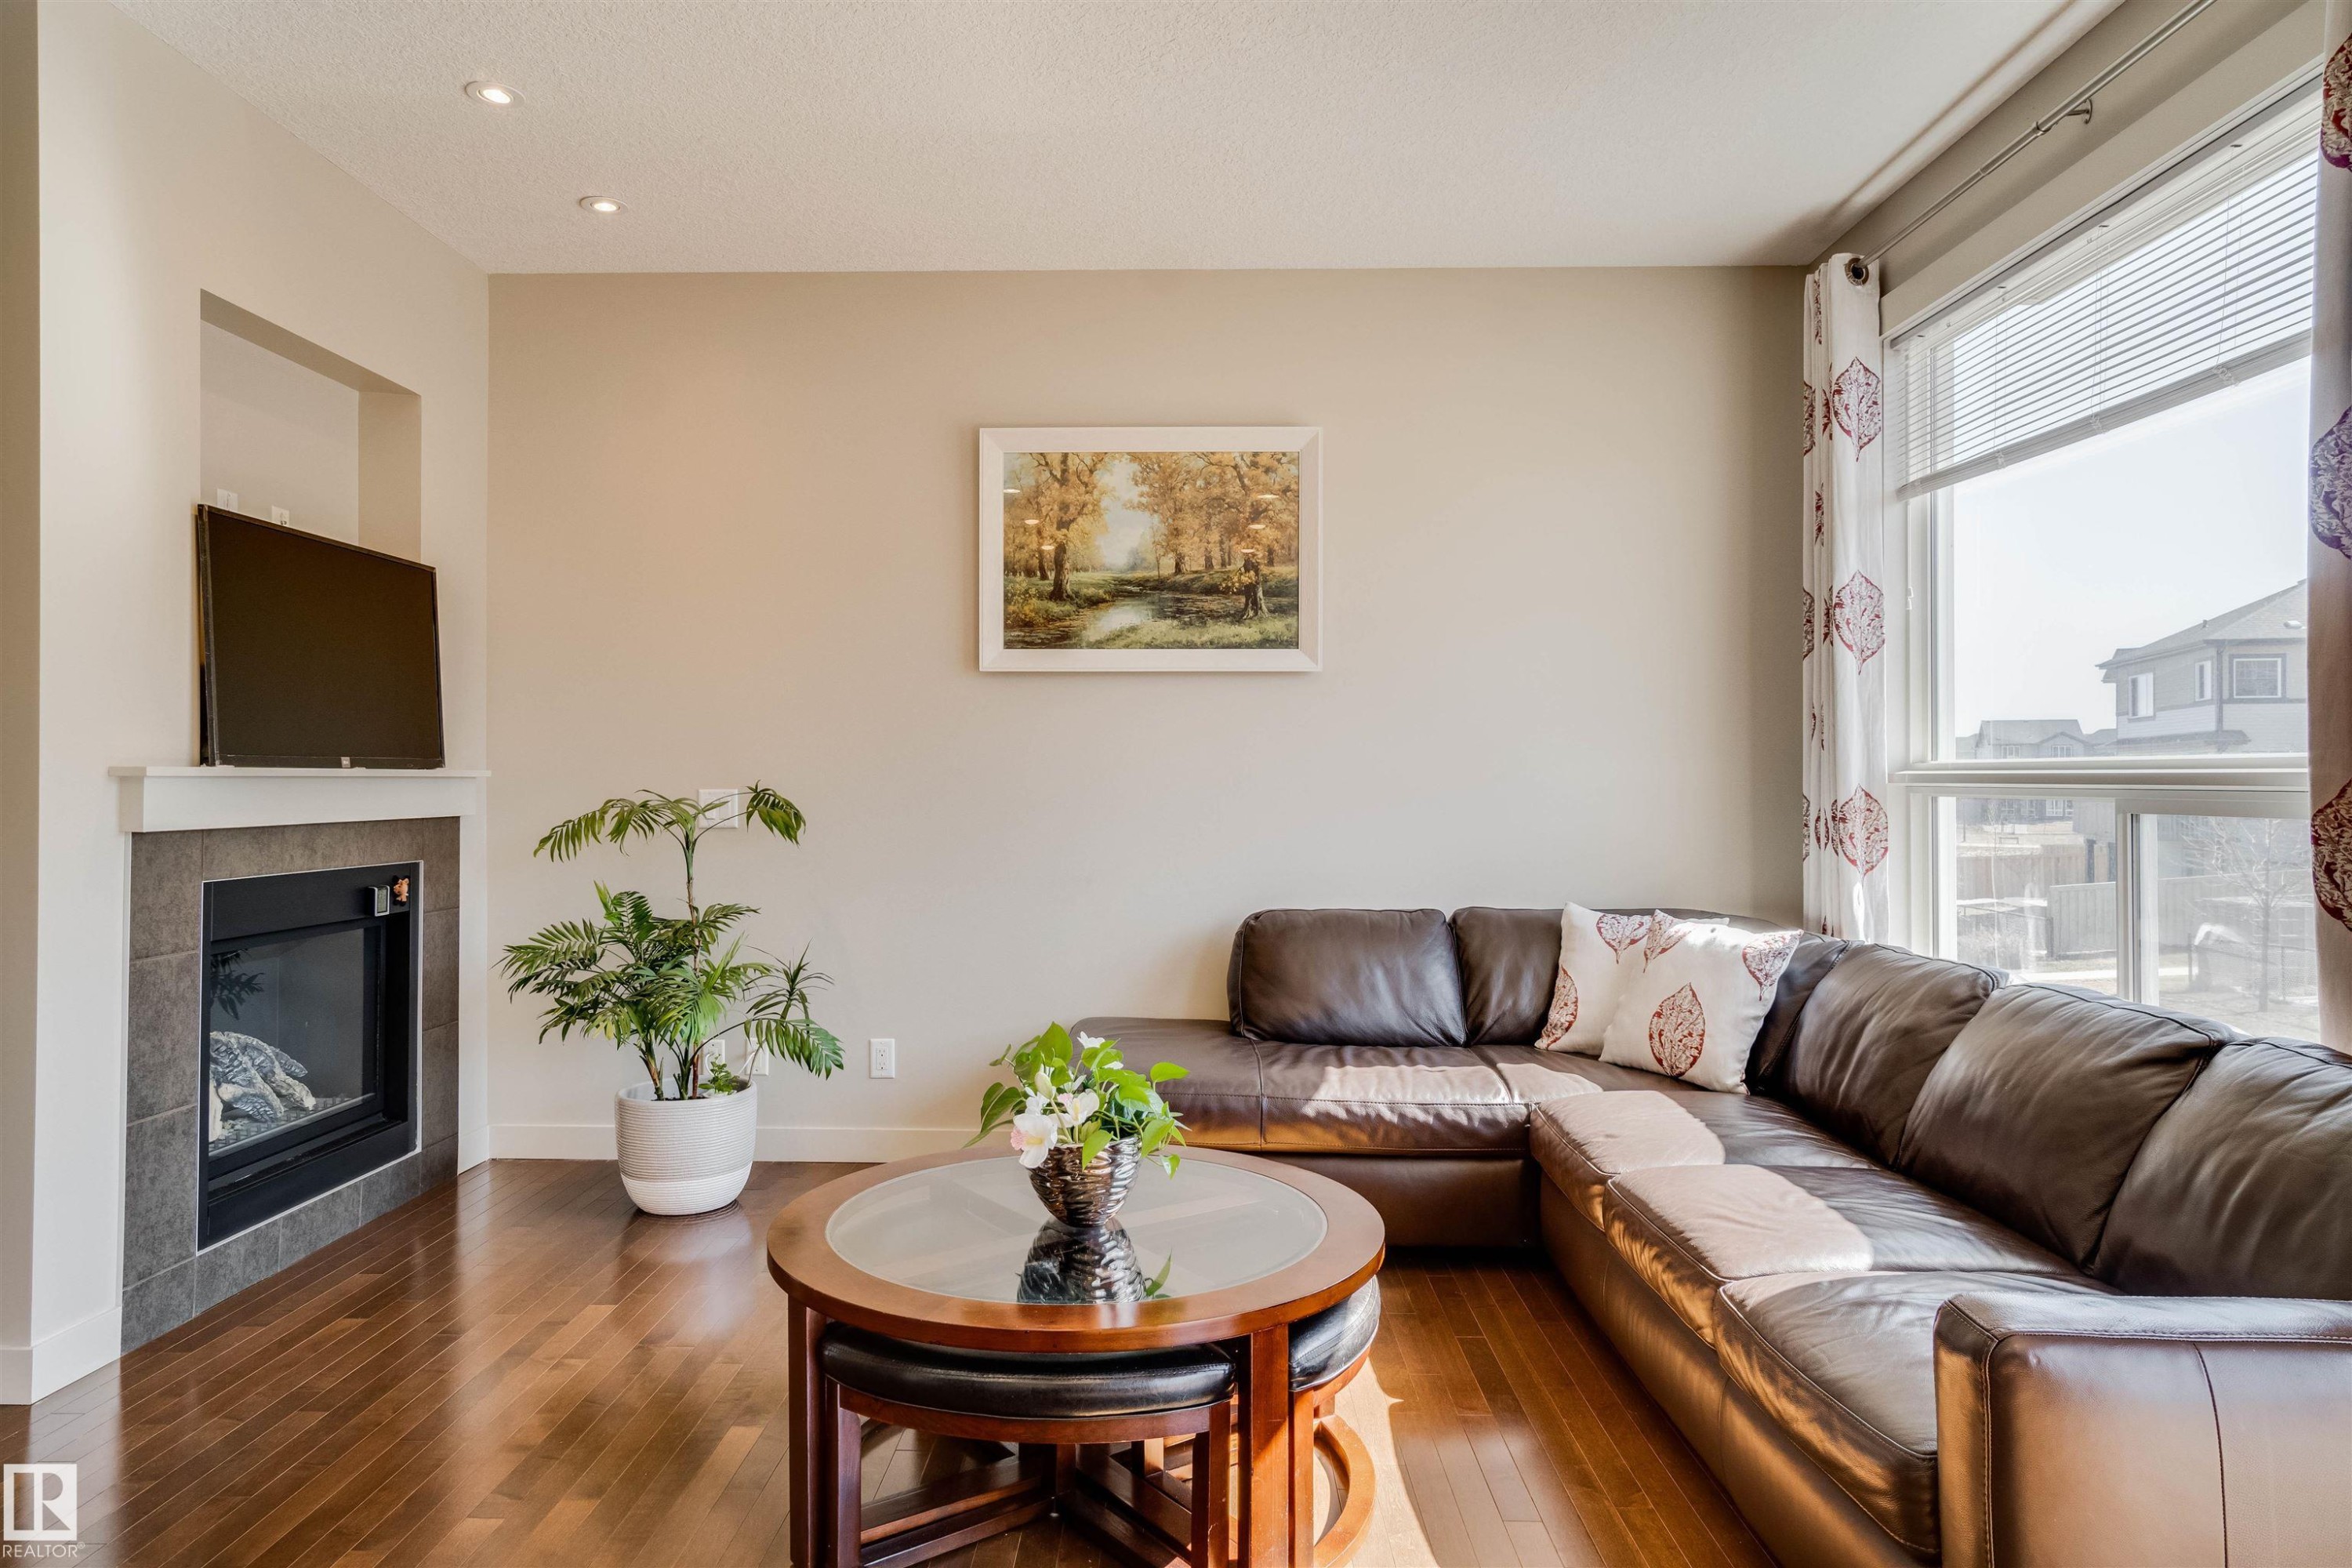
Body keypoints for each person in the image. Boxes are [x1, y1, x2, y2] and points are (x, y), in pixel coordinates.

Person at [1237, 553, 1265, 620]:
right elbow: (1243, 570)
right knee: (1248, 597)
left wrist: (1254, 580)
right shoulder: (1246, 562)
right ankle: (1249, 611)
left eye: (1247, 555)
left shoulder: (1255, 563)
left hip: (1254, 583)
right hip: (1248, 583)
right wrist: (1242, 572)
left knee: (1255, 597)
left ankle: (1257, 612)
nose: (1246, 556)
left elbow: (1255, 573)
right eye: (1245, 555)